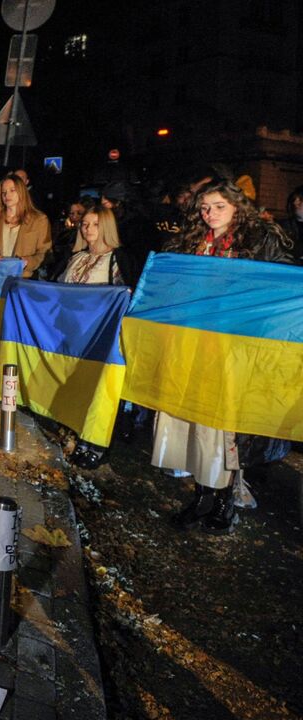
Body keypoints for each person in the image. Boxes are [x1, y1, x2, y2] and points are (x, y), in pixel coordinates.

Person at [156, 179, 293, 535]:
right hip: (194, 345)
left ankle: (224, 503)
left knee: (223, 429)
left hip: (234, 348)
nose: (209, 213)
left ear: (236, 206)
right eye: (204, 207)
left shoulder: (258, 240)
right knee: (194, 423)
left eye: (218, 206)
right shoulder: (193, 241)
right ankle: (201, 496)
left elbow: (277, 287)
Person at [57, 206, 137, 469]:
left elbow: (126, 295)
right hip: (73, 335)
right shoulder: (77, 257)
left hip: (102, 337)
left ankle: (97, 444)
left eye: (94, 224)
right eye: (85, 224)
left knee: (99, 391)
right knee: (75, 386)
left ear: (107, 227)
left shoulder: (117, 258)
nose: (88, 228)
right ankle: (76, 434)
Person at [0, 173, 51, 279]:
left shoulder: (39, 220)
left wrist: (27, 262)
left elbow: (45, 253)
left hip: (25, 279)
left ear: (22, 192)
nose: (7, 195)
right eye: (3, 192)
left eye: (12, 190)